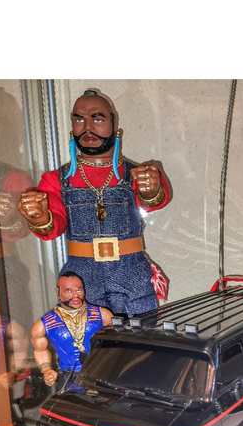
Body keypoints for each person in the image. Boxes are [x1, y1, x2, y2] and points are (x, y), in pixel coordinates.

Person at [16, 90, 171, 319]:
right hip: (81, 275)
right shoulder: (57, 180)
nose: (87, 126)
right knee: (86, 333)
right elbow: (54, 225)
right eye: (79, 119)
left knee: (141, 331)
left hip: (131, 271)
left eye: (98, 119)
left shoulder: (135, 174)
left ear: (114, 124)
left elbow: (153, 203)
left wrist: (151, 190)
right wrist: (40, 218)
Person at [29, 269, 112, 385]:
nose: (75, 295)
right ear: (58, 292)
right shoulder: (44, 324)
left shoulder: (102, 315)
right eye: (68, 291)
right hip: (68, 377)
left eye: (79, 290)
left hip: (99, 374)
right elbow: (40, 350)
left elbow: (116, 343)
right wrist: (46, 370)